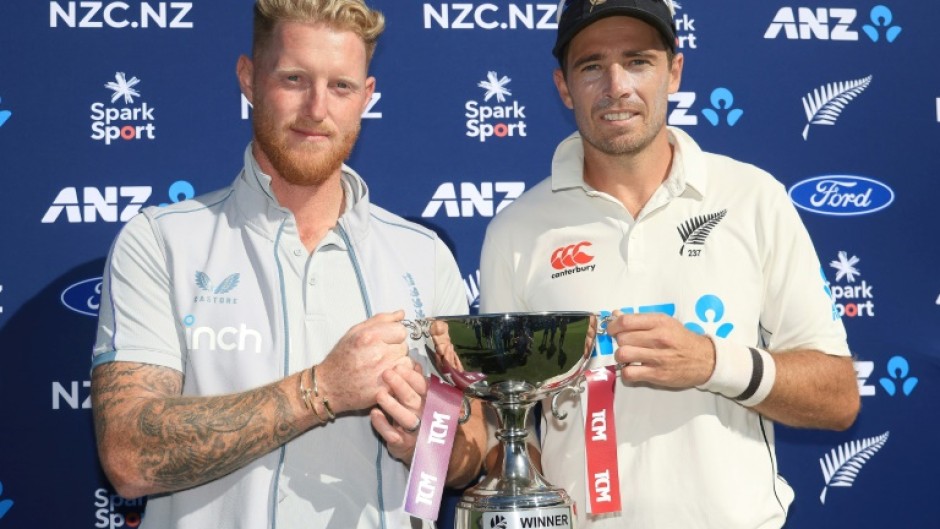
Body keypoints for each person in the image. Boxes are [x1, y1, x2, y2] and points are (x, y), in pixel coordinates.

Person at [90, 1, 485, 528]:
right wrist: (321, 389)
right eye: (295, 78)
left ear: (366, 97)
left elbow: (471, 449)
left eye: (341, 86)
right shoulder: (162, 241)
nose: (317, 108)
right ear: (249, 79)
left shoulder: (424, 254)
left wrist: (428, 447)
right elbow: (129, 456)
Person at [479, 0, 860, 527]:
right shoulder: (517, 231)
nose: (617, 86)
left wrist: (711, 363)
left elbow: (838, 397)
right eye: (592, 66)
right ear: (564, 87)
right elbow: (503, 426)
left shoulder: (754, 198)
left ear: (673, 72)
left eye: (638, 61)